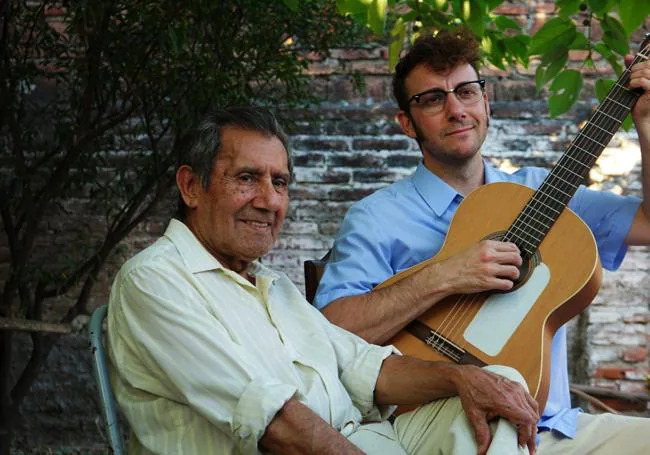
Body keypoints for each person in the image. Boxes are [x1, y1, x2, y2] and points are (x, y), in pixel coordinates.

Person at [106, 106, 540, 455]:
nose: (268, 201)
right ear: (190, 186)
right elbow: (277, 425)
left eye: (279, 182)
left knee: (498, 386)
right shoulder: (155, 280)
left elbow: (366, 368)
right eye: (246, 179)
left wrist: (461, 378)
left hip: (363, 440)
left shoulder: (272, 285)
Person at [313, 27, 650, 454]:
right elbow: (331, 333)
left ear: (486, 102)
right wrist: (448, 274)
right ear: (406, 122)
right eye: (433, 99)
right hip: (440, 421)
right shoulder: (376, 217)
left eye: (467, 92)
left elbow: (646, 222)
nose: (456, 109)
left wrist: (645, 124)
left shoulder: (544, 193)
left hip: (553, 429)